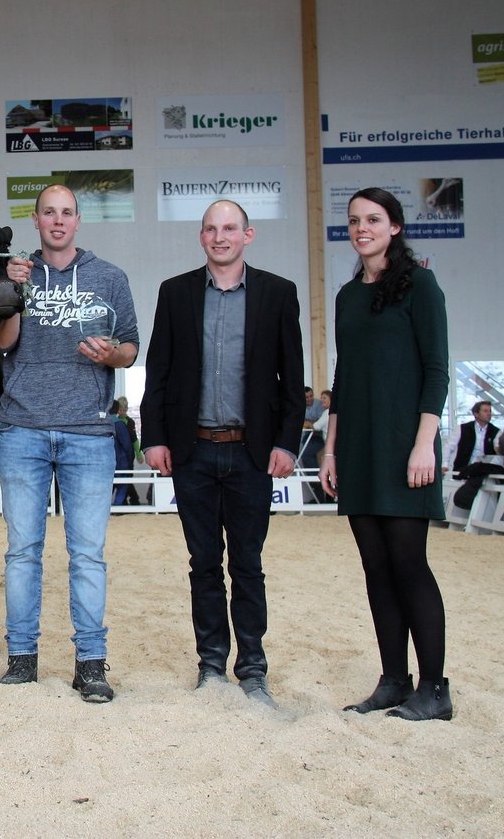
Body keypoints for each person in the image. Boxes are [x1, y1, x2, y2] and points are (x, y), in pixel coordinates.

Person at [140, 199, 305, 707]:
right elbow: (159, 370)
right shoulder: (176, 293)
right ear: (201, 236)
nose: (220, 236)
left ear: (248, 235)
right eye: (211, 228)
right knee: (204, 564)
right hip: (192, 453)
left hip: (253, 455)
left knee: (248, 565)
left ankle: (252, 668)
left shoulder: (279, 293)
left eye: (230, 228)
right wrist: (154, 436)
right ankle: (211, 666)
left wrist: (285, 442)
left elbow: (292, 377)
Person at [0, 184, 139, 702]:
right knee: (22, 552)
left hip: (90, 431)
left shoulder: (109, 277)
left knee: (87, 555)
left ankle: (91, 664)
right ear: (35, 220)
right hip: (22, 428)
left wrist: (109, 355)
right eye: (48, 213)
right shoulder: (15, 274)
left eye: (66, 213)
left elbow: (129, 349)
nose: (58, 221)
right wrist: (11, 293)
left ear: (78, 221)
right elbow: (5, 342)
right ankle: (22, 659)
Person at [319, 187, 452, 721]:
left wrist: (425, 444)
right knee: (375, 567)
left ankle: (435, 688)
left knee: (408, 563)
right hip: (357, 447)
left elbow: (437, 369)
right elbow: (343, 380)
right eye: (353, 221)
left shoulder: (421, 284)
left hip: (404, 446)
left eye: (373, 219)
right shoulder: (349, 296)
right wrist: (330, 450)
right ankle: (394, 680)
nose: (361, 228)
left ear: (395, 226)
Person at [446, 401, 498, 476]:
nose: (489, 414)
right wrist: (445, 464)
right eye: (485, 411)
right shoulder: (462, 428)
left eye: (490, 411)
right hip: (462, 471)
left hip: (485, 473)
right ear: (476, 414)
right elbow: (449, 446)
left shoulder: (496, 431)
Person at [300, 387, 325, 469]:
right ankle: (315, 479)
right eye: (306, 397)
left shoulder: (319, 404)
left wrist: (308, 422)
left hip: (319, 436)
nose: (309, 399)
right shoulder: (300, 405)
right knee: (302, 454)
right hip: (306, 436)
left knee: (306, 455)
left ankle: (315, 480)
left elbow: (319, 423)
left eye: (311, 396)